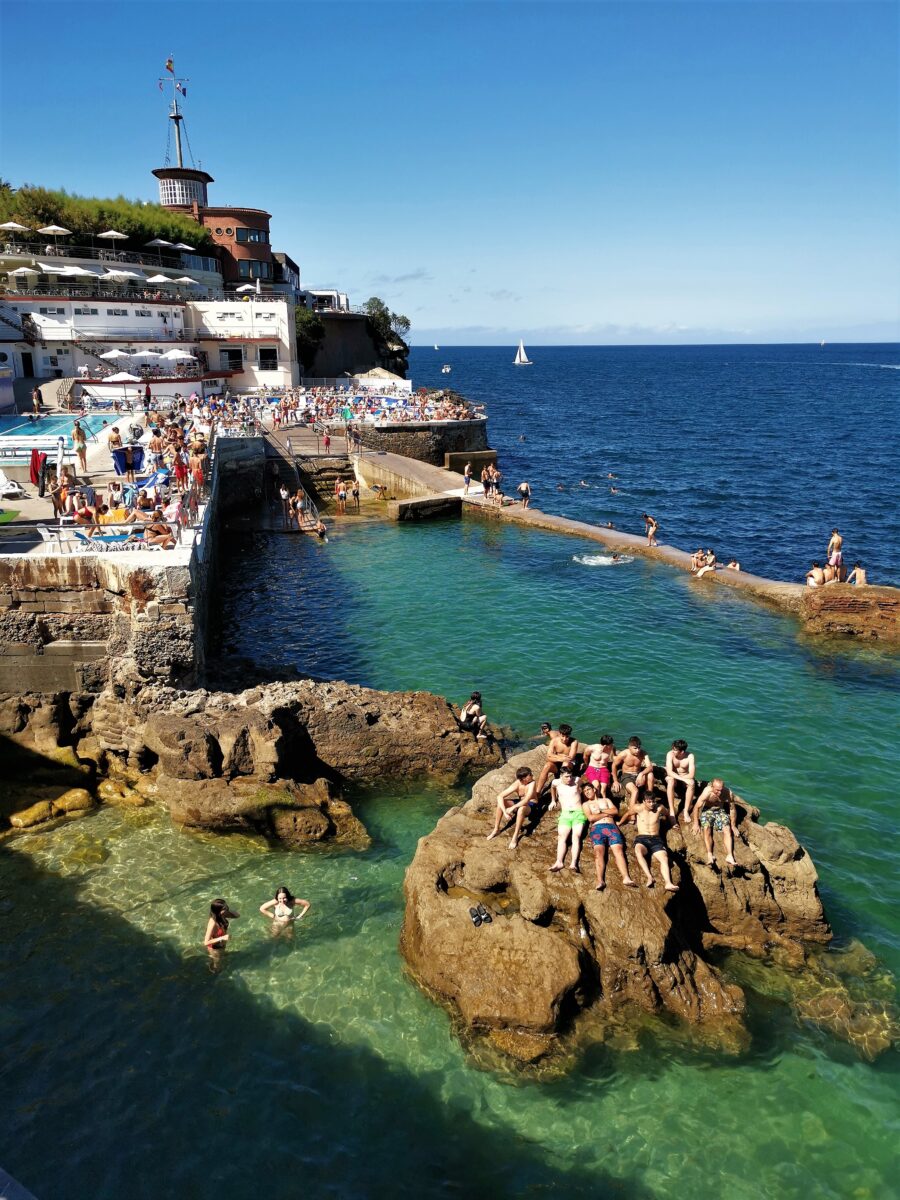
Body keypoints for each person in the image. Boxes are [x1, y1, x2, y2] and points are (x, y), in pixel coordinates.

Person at [581, 782, 636, 890]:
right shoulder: (586, 804)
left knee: (619, 851)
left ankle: (626, 878)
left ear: (594, 789)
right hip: (597, 828)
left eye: (588, 789)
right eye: (585, 791)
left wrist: (600, 811)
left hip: (612, 827)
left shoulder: (606, 800)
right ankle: (600, 880)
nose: (587, 792)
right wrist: (606, 814)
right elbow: (591, 818)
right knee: (598, 853)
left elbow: (615, 811)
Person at [622, 792, 679, 891]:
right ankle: (649, 877)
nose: (651, 804)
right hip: (642, 838)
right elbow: (627, 814)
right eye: (649, 802)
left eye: (653, 801)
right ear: (644, 802)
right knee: (638, 851)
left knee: (664, 858)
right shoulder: (638, 808)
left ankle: (668, 883)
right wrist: (620, 822)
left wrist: (673, 823)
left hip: (656, 839)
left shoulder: (659, 808)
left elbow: (668, 813)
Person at [692, 778, 740, 867]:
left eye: (721, 790)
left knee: (727, 829)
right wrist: (696, 823)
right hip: (708, 810)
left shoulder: (728, 793)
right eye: (717, 790)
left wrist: (733, 825)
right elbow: (696, 807)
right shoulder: (707, 792)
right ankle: (710, 854)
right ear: (712, 787)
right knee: (706, 828)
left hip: (720, 811)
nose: (719, 793)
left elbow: (732, 809)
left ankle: (730, 856)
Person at [486, 766, 538, 849]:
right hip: (519, 802)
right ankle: (496, 829)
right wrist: (505, 812)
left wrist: (512, 807)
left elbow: (527, 800)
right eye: (530, 775)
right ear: (524, 778)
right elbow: (500, 796)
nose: (532, 776)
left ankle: (515, 836)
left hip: (531, 805)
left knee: (521, 809)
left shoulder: (532, 783)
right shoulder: (517, 783)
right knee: (501, 803)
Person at [548, 763, 587, 872]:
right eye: (566, 776)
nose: (569, 779)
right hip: (565, 814)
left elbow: (582, 789)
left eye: (570, 776)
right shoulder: (556, 782)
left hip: (578, 812)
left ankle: (574, 863)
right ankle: (559, 862)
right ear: (561, 776)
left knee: (576, 836)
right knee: (562, 837)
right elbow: (553, 788)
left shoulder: (577, 780)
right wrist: (553, 800)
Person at [535, 723, 580, 796]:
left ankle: (561, 787)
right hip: (557, 764)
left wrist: (555, 756)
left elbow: (570, 758)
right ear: (559, 734)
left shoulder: (574, 742)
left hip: (568, 766)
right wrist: (561, 758)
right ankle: (538, 792)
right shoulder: (554, 741)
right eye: (563, 736)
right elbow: (548, 757)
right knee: (547, 765)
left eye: (567, 736)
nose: (565, 739)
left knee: (566, 763)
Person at [612, 736, 655, 807]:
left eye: (639, 747)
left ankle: (649, 797)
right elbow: (614, 765)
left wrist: (641, 774)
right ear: (629, 747)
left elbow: (650, 767)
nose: (638, 750)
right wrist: (615, 781)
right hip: (627, 776)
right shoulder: (624, 754)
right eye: (635, 748)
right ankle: (632, 815)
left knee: (650, 774)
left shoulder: (643, 753)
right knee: (635, 791)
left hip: (638, 775)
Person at [666, 739, 696, 821]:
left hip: (685, 776)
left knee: (692, 783)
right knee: (670, 780)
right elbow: (669, 772)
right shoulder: (670, 754)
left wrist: (684, 779)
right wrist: (681, 779)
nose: (673, 751)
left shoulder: (690, 756)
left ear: (682, 751)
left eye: (675, 750)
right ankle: (672, 811)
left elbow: (691, 774)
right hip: (673, 776)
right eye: (673, 748)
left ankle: (685, 811)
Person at [204, 898, 239, 970]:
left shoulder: (221, 915)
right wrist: (222, 938)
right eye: (224, 909)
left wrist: (227, 910)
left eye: (226, 908)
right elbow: (206, 942)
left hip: (221, 945)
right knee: (217, 965)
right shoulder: (212, 923)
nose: (226, 911)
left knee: (221, 958)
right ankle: (214, 973)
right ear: (217, 911)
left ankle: (214, 962)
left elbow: (237, 915)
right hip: (215, 948)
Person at [581, 734, 616, 799]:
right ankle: (596, 802)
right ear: (605, 745)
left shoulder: (611, 747)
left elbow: (614, 754)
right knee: (596, 785)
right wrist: (586, 765)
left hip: (603, 769)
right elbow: (585, 756)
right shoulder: (592, 748)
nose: (612, 745)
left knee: (603, 790)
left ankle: (605, 803)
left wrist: (614, 756)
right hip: (592, 768)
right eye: (610, 745)